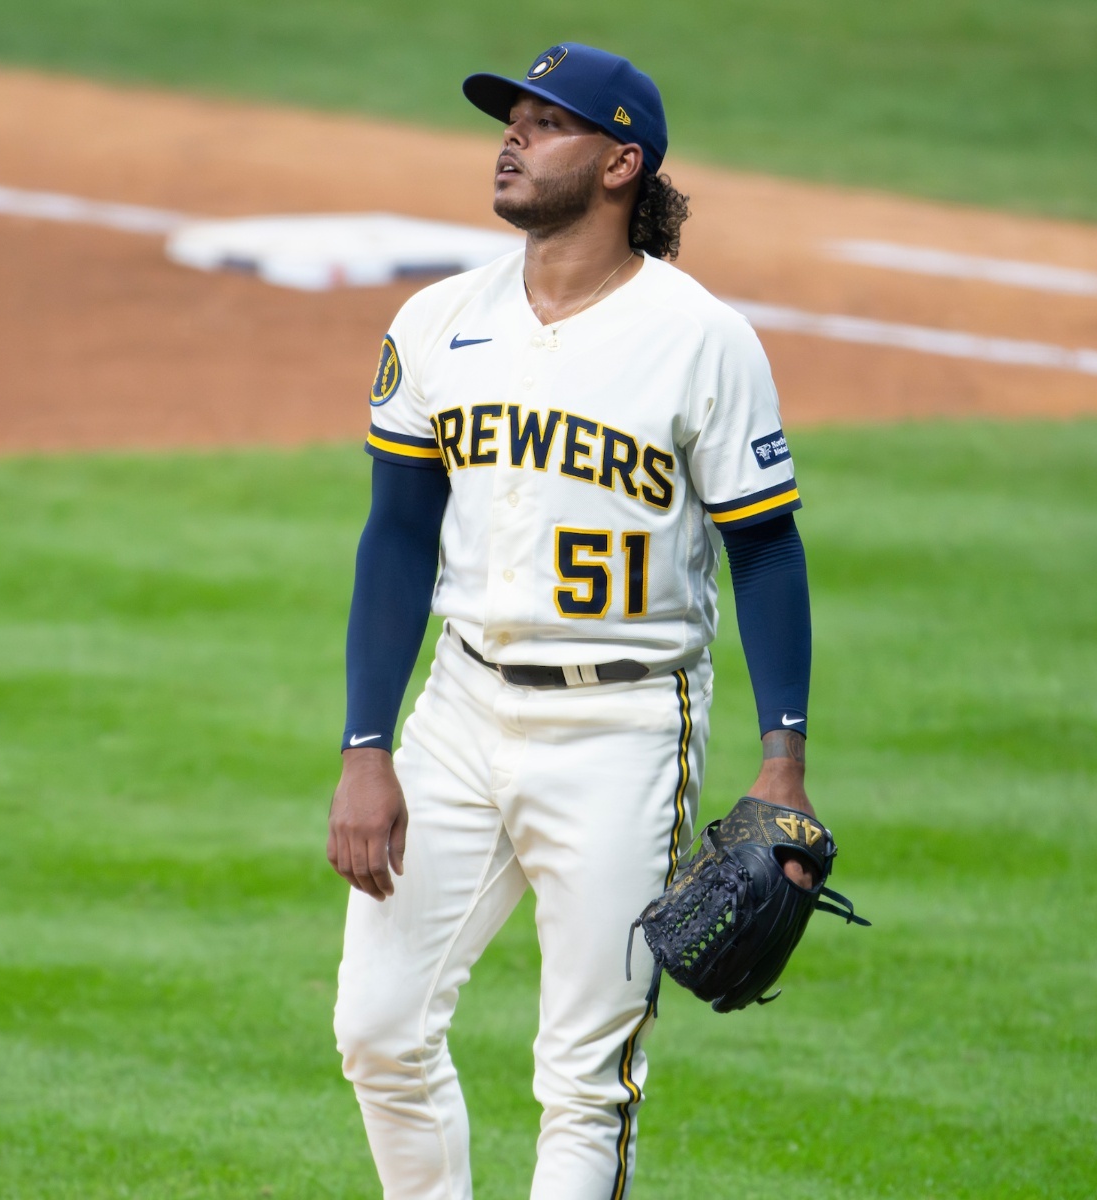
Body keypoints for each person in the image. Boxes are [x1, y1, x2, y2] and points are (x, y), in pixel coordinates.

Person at [327, 42, 816, 1200]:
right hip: (458, 705)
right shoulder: (438, 321)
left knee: (583, 1080)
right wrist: (366, 742)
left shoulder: (700, 339)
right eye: (511, 118)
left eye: (545, 123)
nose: (511, 136)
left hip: (625, 729)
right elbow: (395, 533)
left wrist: (782, 758)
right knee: (377, 1032)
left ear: (619, 163)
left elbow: (765, 546)